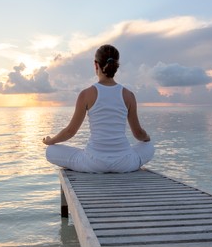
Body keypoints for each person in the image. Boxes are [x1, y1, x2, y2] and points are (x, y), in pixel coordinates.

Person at [42, 44, 154, 173]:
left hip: (93, 163)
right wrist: (147, 138)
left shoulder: (86, 94)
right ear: (116, 66)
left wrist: (51, 141)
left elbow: (70, 132)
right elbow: (138, 134)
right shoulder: (128, 95)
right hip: (124, 163)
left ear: (96, 65)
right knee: (149, 146)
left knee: (51, 151)